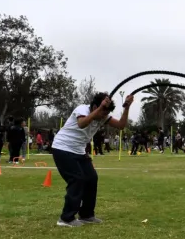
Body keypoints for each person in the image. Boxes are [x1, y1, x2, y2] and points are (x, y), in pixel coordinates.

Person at [51, 92, 134, 227]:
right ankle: (66, 218)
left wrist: (127, 107)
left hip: (79, 151)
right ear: (95, 106)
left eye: (105, 113)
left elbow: (120, 125)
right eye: (102, 112)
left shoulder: (103, 116)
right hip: (62, 148)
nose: (103, 116)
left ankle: (86, 215)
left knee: (91, 178)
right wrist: (100, 109)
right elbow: (82, 124)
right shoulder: (82, 109)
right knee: (77, 179)